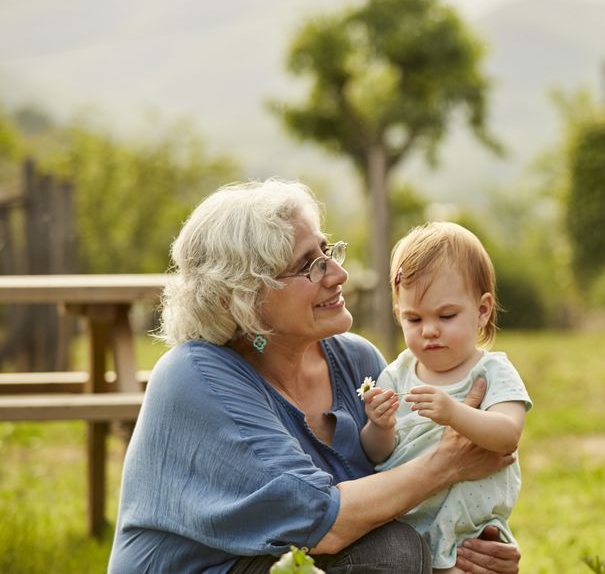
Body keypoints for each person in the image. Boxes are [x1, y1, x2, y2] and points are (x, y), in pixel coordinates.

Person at [109, 180, 521, 574]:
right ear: (240, 298)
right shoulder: (194, 377)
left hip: (301, 561)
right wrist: (447, 464)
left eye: (328, 252)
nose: (338, 275)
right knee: (390, 553)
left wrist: (472, 545)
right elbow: (323, 522)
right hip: (211, 568)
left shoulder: (357, 361)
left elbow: (399, 485)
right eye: (309, 266)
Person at [362, 221, 530, 574]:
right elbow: (379, 454)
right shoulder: (396, 374)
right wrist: (379, 425)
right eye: (413, 318)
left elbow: (506, 435)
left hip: (470, 530)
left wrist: (454, 412)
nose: (429, 330)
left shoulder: (492, 372)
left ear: (482, 311)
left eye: (446, 315)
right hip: (409, 526)